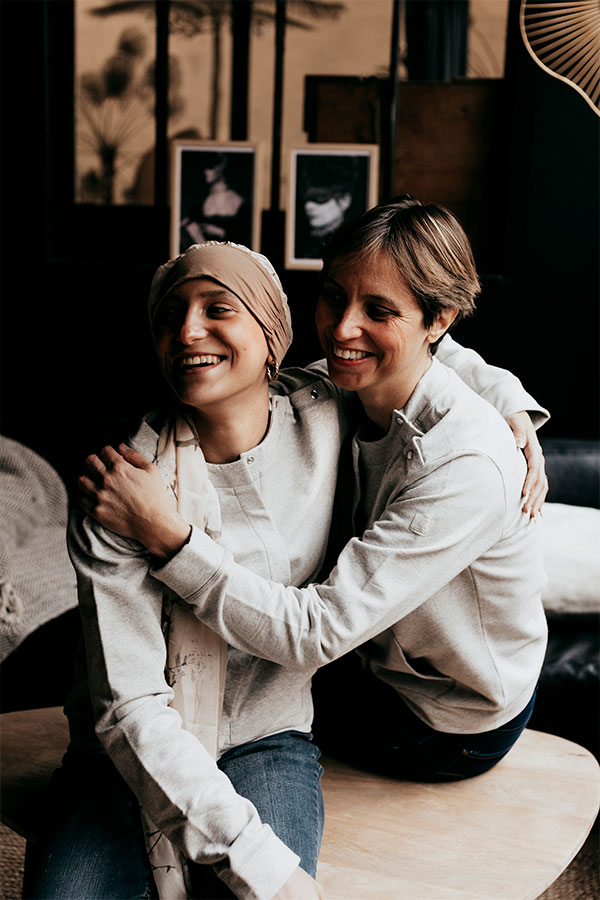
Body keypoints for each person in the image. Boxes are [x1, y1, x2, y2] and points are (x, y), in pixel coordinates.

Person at [41, 221, 546, 899]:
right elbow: (129, 708)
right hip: (302, 677)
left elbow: (312, 635)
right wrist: (507, 394)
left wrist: (171, 540)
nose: (343, 330)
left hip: (435, 710)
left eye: (220, 310)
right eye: (334, 300)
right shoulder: (135, 481)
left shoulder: (450, 454)